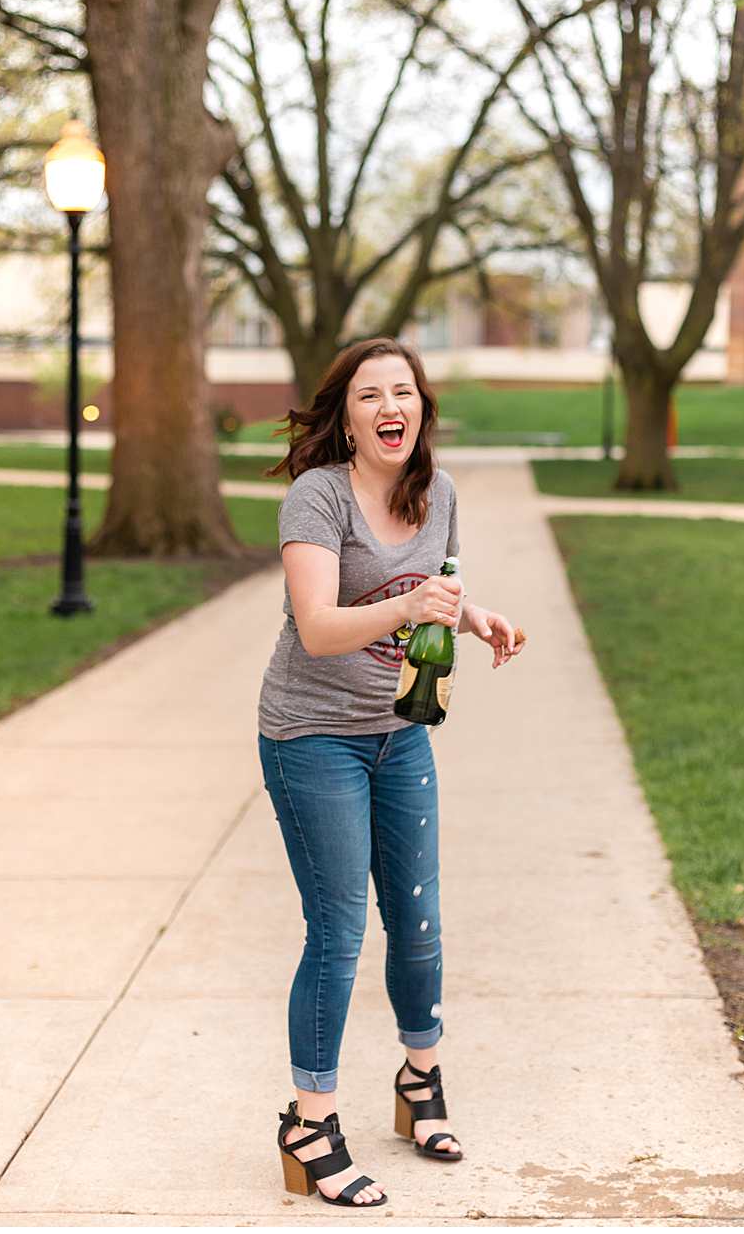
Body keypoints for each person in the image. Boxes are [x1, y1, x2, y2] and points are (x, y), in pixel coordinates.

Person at [257, 338, 525, 1209]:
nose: (389, 406)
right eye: (369, 394)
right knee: (338, 930)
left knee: (417, 921)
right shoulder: (318, 496)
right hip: (312, 736)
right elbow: (317, 625)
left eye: (402, 391)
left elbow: (434, 586)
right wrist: (410, 603)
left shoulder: (437, 492)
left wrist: (472, 614)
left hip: (400, 733)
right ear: (346, 417)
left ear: (421, 408)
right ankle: (308, 1127)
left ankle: (420, 1083)